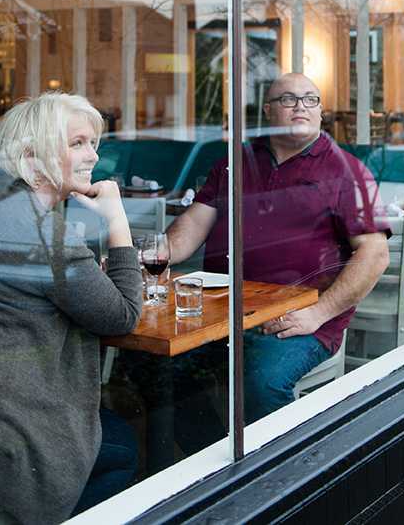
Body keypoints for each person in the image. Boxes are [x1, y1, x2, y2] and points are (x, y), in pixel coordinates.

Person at [167, 73, 390, 431]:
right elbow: (191, 228)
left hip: (295, 319)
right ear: (268, 111)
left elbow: (375, 254)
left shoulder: (346, 171)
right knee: (163, 369)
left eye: (310, 99)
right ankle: (210, 462)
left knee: (262, 382)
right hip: (224, 310)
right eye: (288, 99)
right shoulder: (234, 162)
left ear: (321, 113)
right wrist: (142, 255)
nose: (300, 106)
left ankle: (285, 475)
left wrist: (319, 313)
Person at [0, 92, 143, 525]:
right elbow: (123, 315)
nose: (93, 155)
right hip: (8, 427)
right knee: (125, 445)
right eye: (78, 143)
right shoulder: (44, 232)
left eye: (93, 142)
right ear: (33, 155)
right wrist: (117, 220)